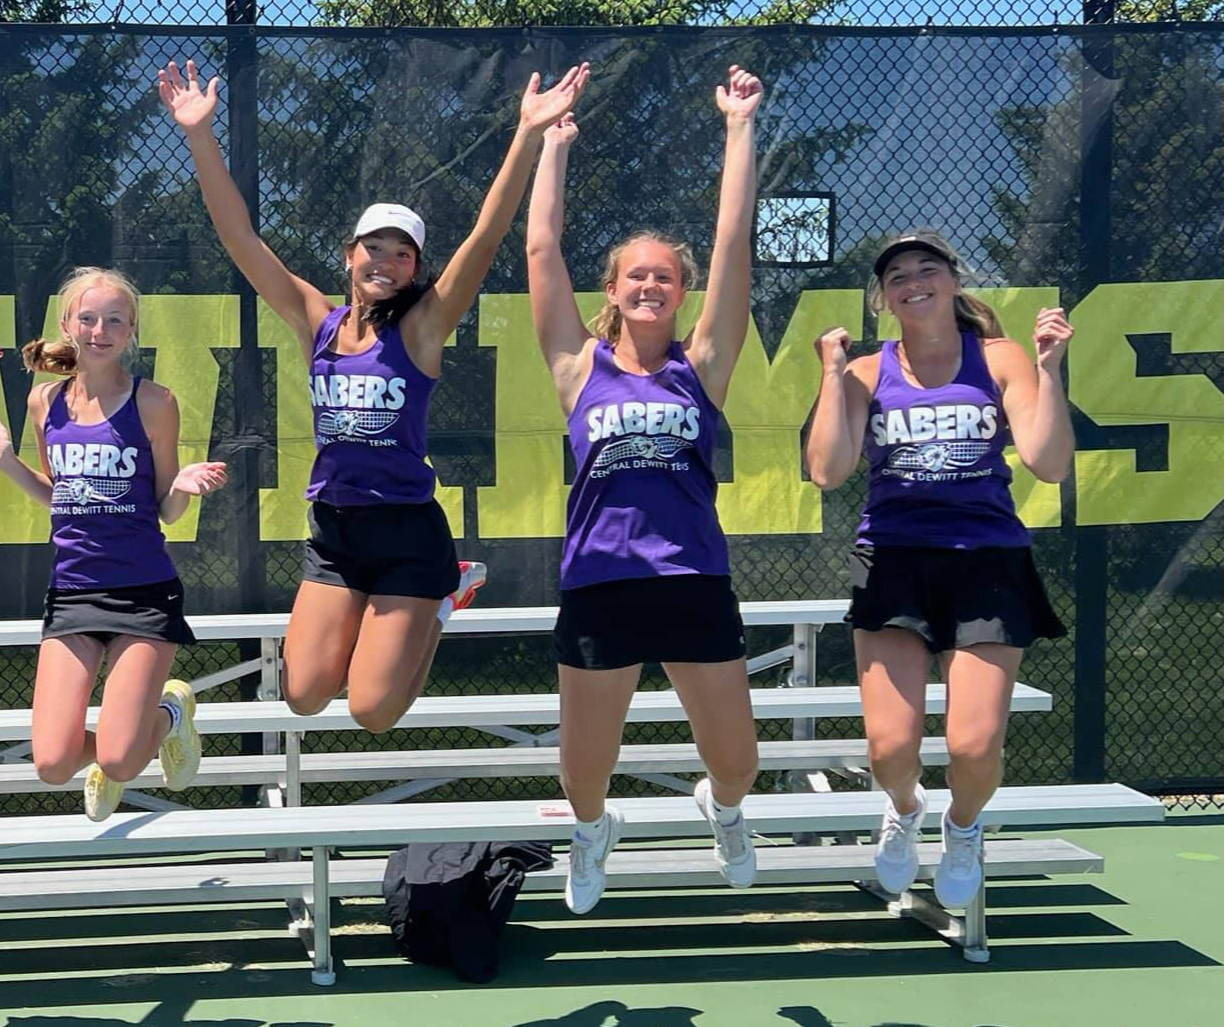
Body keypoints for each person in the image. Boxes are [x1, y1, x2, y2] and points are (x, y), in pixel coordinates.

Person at [159, 56, 587, 733]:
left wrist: (527, 134)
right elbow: (239, 238)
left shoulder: (422, 329)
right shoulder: (316, 322)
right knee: (301, 696)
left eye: (400, 253)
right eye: (372, 248)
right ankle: (420, 607)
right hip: (334, 531)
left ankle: (445, 595)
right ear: (348, 256)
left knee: (372, 711)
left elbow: (486, 234)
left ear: (415, 269)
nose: (383, 261)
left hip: (407, 536)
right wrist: (199, 136)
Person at [523, 68, 766, 914]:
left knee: (737, 760)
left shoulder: (700, 368)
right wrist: (550, 144)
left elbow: (733, 242)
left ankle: (724, 813)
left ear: (681, 292)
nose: (650, 285)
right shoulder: (575, 367)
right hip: (599, 586)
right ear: (613, 290)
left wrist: (737, 127)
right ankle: (592, 834)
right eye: (635, 275)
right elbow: (540, 252)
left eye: (664, 276)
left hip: (692, 581)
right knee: (583, 771)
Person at [805, 229, 1072, 909]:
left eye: (927, 268)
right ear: (883, 299)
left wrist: (1049, 368)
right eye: (897, 275)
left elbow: (1047, 461)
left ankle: (962, 828)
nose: (912, 280)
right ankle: (902, 810)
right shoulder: (867, 372)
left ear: (953, 283)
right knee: (889, 748)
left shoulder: (1000, 357)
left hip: (985, 563)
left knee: (973, 745)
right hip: (892, 563)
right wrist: (830, 377)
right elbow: (826, 470)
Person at [0, 268, 227, 820]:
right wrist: (6, 463)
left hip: (144, 594)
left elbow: (164, 510)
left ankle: (170, 713)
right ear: (66, 324)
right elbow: (57, 495)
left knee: (123, 758)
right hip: (74, 594)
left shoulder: (154, 403)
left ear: (132, 332)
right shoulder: (42, 402)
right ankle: (114, 749)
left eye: (115, 321)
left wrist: (181, 488)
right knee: (53, 763)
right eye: (87, 317)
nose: (99, 330)